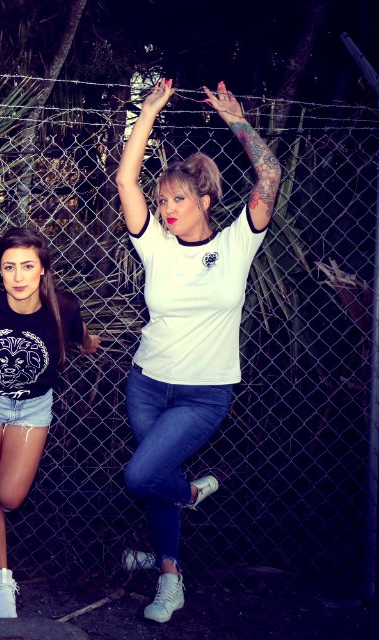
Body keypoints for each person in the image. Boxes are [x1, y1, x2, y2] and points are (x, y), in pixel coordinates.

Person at [115, 79, 281, 623]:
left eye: (177, 200)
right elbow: (125, 178)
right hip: (147, 383)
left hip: (203, 395)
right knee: (154, 482)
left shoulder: (238, 241)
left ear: (205, 201)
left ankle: (187, 494)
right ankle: (169, 576)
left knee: (143, 477)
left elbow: (271, 175)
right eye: (162, 201)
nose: (166, 209)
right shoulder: (154, 245)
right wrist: (148, 113)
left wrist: (237, 119)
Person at [0, 227, 99, 618]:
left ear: (43, 270)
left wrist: (90, 343)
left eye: (27, 266)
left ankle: (1, 562)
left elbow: (84, 340)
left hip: (31, 409)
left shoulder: (64, 308)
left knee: (9, 495)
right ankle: (2, 580)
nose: (18, 276)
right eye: (9, 267)